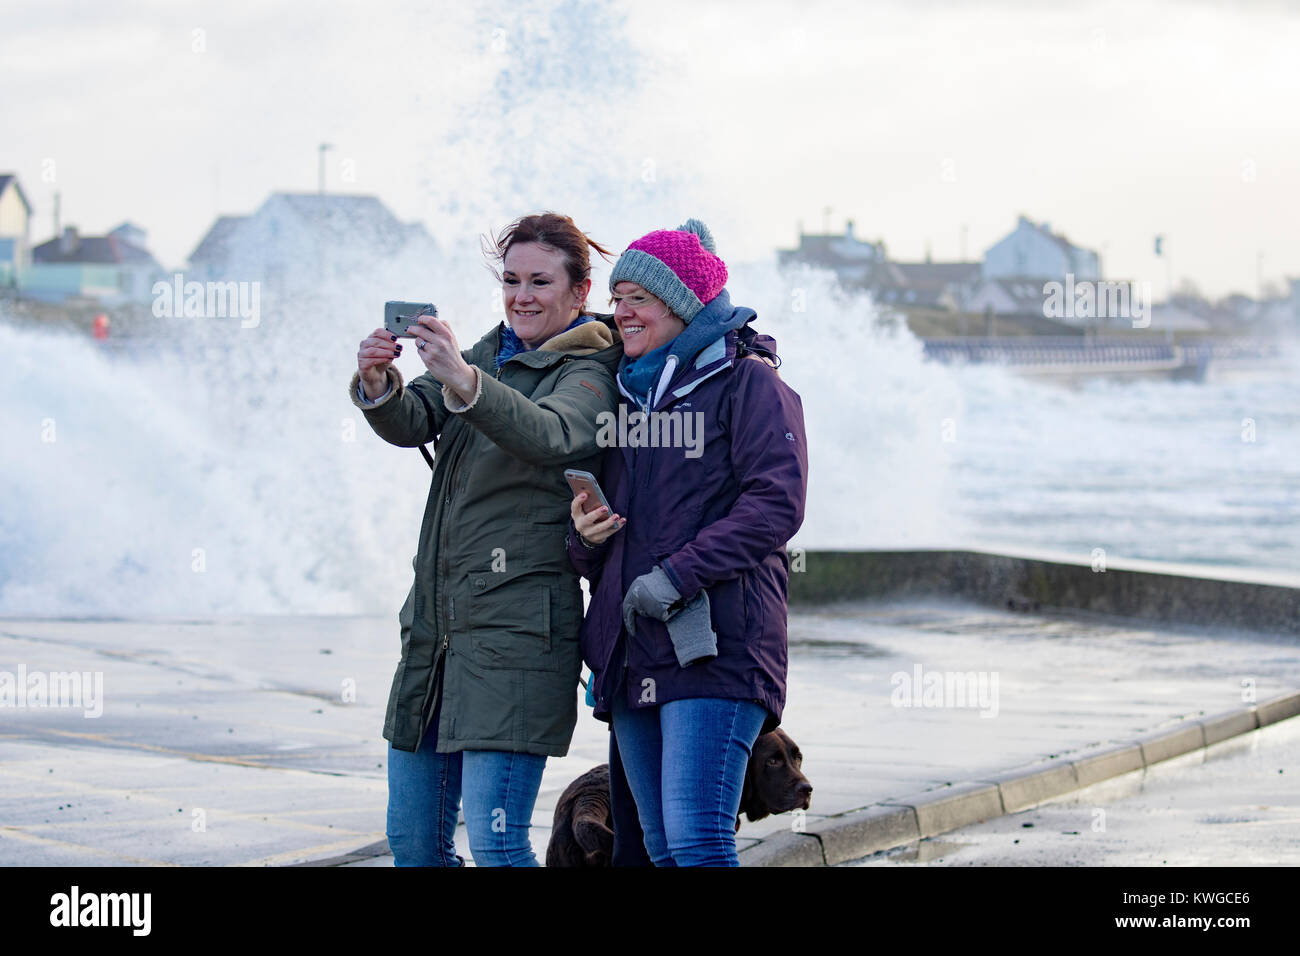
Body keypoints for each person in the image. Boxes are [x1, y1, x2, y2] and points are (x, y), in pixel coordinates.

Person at [351, 212, 622, 866]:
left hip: (517, 643)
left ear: (580, 292)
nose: (520, 295)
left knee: (499, 845)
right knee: (414, 846)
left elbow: (549, 434)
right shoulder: (488, 350)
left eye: (539, 281)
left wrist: (464, 381)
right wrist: (379, 383)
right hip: (435, 638)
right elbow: (413, 417)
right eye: (510, 279)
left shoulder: (590, 372)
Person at [567, 218, 808, 866]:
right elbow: (612, 541)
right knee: (661, 848)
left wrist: (676, 576)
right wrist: (585, 537)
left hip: (718, 647)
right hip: (634, 653)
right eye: (616, 299)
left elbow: (776, 504)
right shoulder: (626, 401)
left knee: (699, 840)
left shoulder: (749, 382)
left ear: (681, 303)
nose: (620, 313)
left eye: (636, 299)